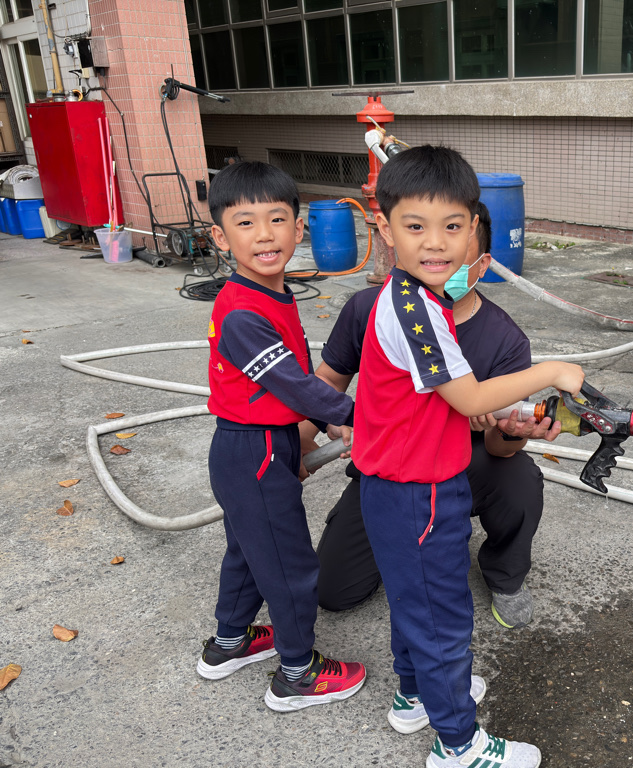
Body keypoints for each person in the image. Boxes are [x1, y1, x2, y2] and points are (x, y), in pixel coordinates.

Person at [349, 145, 584, 768]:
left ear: (475, 229)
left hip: (401, 483)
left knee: (414, 602)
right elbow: (471, 396)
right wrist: (552, 371)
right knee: (442, 619)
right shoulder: (418, 313)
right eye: (415, 227)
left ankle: (414, 696)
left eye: (452, 226)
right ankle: (458, 743)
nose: (435, 243)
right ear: (385, 228)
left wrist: (504, 415)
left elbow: (454, 402)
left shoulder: (407, 296)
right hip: (418, 491)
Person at [308, 201, 560, 630]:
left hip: (465, 464)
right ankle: (412, 544)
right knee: (333, 591)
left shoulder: (505, 340)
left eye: (455, 251)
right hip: (389, 470)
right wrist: (308, 437)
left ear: (482, 264)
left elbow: (499, 446)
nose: (439, 258)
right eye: (423, 237)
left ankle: (505, 574)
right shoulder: (373, 308)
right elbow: (326, 382)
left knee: (519, 478)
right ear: (393, 234)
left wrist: (512, 431)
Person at [196, 160, 366, 713]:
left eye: (277, 219)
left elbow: (293, 379)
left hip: (259, 445)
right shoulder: (243, 313)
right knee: (290, 565)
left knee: (250, 550)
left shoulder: (274, 294)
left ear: (299, 228)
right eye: (245, 223)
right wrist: (353, 415)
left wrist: (316, 430)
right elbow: (292, 383)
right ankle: (297, 673)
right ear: (220, 236)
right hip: (254, 449)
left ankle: (229, 643)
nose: (265, 235)